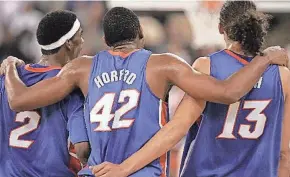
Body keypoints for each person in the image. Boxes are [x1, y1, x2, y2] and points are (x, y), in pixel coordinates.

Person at [1, 6, 288, 177]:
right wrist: (265, 59)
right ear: (141, 33)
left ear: (105, 40)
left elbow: (20, 100)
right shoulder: (164, 65)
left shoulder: (81, 69)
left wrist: (11, 66)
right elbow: (228, 92)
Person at [92, 1, 290, 177]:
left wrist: (124, 168)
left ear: (221, 28)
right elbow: (284, 153)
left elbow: (178, 128)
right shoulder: (283, 76)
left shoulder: (207, 66)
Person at [0, 10, 89, 177]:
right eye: (80, 35)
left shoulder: (7, 79)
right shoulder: (71, 86)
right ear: (69, 43)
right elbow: (82, 148)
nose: (82, 41)